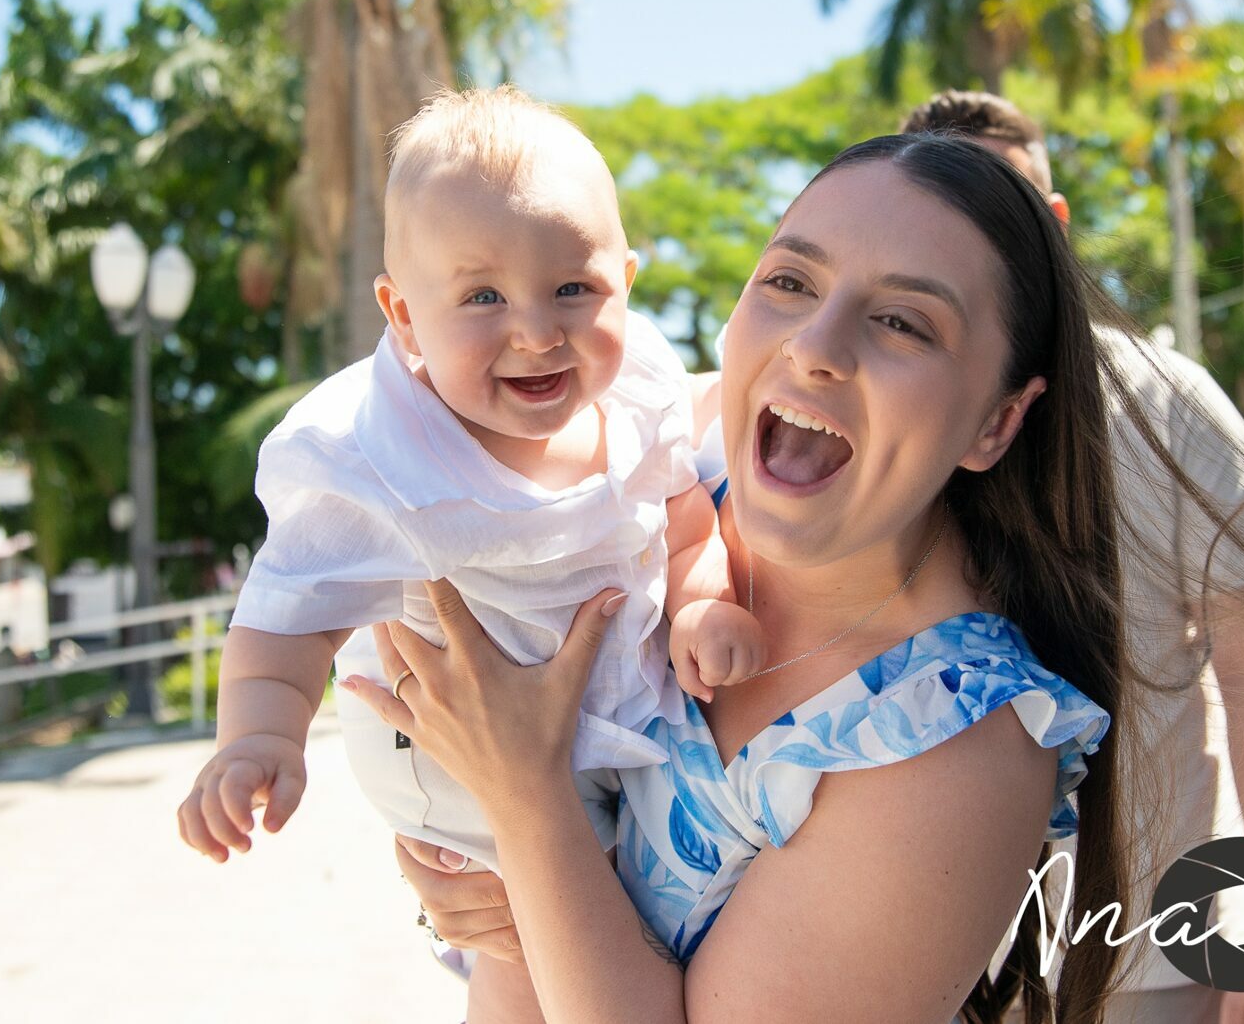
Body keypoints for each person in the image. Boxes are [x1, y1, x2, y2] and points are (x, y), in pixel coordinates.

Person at [356, 132, 1130, 1023]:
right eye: (791, 281)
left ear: (997, 421)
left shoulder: (951, 741)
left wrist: (525, 804)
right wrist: (457, 865)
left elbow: (529, 811)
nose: (815, 345)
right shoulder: (655, 467)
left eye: (904, 322)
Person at [174, 86, 756, 1018]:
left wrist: (702, 601)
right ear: (403, 315)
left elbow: (683, 520)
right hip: (450, 753)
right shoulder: (380, 453)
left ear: (626, 279)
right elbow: (287, 617)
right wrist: (257, 737)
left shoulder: (641, 394)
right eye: (483, 296)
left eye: (574, 288)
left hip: (599, 725)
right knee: (523, 936)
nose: (537, 329)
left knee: (595, 913)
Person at [899, 91, 1244, 1024]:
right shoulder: (855, 406)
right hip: (904, 959)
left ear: (1055, 222)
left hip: (1141, 953)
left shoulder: (1166, 399)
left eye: (1010, 205)